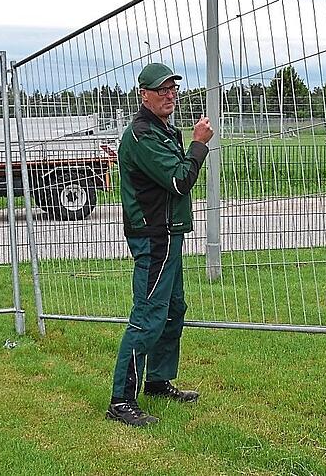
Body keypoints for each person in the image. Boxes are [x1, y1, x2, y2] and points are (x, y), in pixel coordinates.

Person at [106, 63, 214, 427]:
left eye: (173, 89)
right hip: (154, 236)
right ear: (144, 95)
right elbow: (180, 180)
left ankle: (157, 380)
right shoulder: (142, 136)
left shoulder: (162, 130)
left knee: (173, 309)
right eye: (161, 90)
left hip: (169, 233)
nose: (169, 95)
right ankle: (121, 401)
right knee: (149, 315)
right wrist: (199, 144)